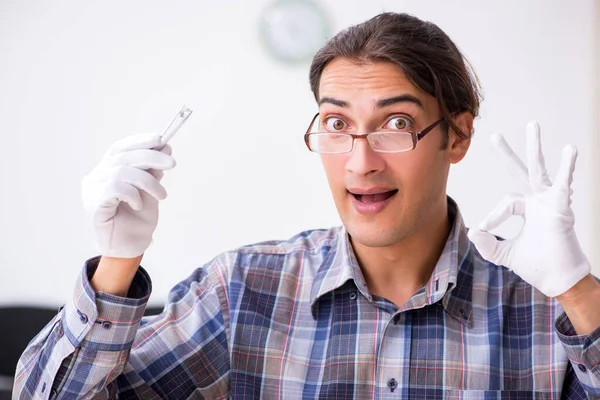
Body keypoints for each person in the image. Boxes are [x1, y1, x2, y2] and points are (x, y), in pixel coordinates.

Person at [13, 12, 600, 399]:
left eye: (397, 123)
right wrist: (115, 263)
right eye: (337, 124)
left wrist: (580, 293)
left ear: (458, 136)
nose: (361, 161)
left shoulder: (548, 309)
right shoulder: (244, 292)